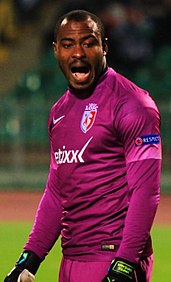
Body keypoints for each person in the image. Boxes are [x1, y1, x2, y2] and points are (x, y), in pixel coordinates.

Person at [4, 9, 162, 282]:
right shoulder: (58, 113)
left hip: (112, 259)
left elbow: (145, 191)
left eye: (88, 43)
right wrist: (30, 258)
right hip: (71, 258)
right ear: (56, 51)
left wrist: (124, 264)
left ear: (104, 48)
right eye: (68, 45)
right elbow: (56, 192)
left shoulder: (134, 105)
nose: (78, 53)